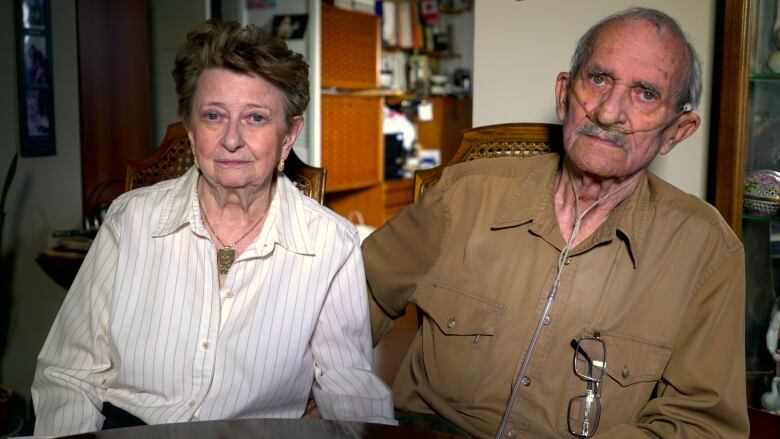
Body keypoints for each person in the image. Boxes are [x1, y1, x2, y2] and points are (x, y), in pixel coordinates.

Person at [363, 8, 748, 438]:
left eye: (645, 94)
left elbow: (701, 425)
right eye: (599, 79)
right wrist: (326, 392)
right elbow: (353, 297)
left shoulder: (706, 250)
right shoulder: (465, 193)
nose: (608, 111)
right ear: (565, 94)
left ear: (677, 131)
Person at [32, 19, 394, 436]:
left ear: (289, 135)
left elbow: (347, 386)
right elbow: (70, 374)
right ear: (190, 129)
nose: (232, 139)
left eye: (256, 117)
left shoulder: (331, 244)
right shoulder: (129, 220)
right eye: (213, 116)